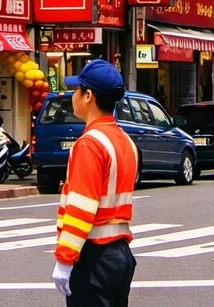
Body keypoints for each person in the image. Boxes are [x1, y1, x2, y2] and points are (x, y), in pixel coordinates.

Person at [53, 59, 138, 307]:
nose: (73, 96)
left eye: (76, 90)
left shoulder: (90, 144)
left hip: (94, 255)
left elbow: (81, 208)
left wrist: (64, 260)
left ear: (88, 96)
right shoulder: (124, 141)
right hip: (119, 253)